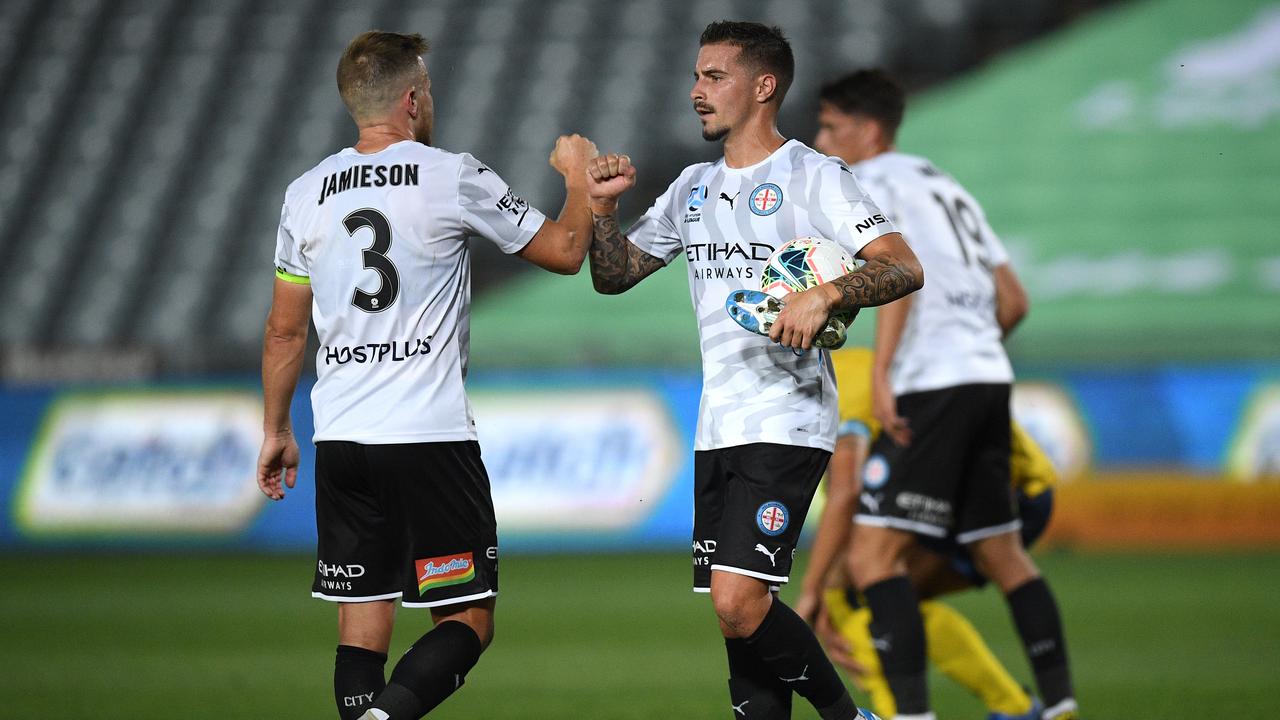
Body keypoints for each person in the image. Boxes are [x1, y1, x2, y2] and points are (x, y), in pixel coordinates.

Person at [583, 21, 922, 720]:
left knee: (740, 601)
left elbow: (902, 264)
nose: (695, 92)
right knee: (741, 622)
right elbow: (614, 277)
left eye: (714, 77)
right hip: (719, 426)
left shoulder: (813, 176)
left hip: (788, 416)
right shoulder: (692, 187)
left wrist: (827, 291)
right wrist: (601, 211)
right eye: (696, 76)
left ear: (763, 86)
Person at [255, 30, 598, 720]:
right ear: (411, 99)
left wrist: (275, 429)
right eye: (429, 88)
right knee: (467, 622)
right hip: (427, 438)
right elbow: (564, 251)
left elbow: (285, 329)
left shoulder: (304, 193)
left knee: (362, 622)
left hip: (342, 438)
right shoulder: (449, 173)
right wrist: (579, 181)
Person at [813, 69, 1079, 720]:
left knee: (874, 558)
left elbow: (900, 278)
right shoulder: (942, 181)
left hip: (931, 383)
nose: (820, 141)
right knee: (1003, 553)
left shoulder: (867, 184)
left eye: (829, 127)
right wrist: (975, 352)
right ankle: (1062, 706)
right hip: (988, 376)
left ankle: (910, 716)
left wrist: (885, 377)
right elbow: (1013, 300)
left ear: (867, 131)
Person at [797, 347, 1058, 720]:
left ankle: (910, 714)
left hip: (998, 487)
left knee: (868, 598)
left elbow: (847, 491)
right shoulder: (845, 363)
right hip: (1001, 482)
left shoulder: (831, 390)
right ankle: (1015, 708)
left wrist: (813, 590)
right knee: (882, 598)